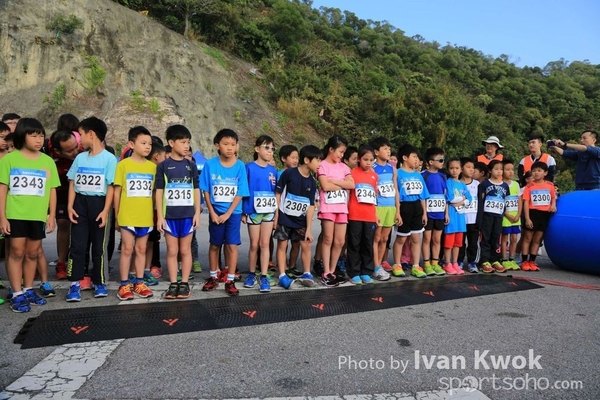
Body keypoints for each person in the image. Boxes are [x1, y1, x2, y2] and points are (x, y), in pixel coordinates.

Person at [0, 118, 60, 312]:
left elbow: (52, 190)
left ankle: (28, 289)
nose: (38, 140)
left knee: (33, 253)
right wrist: (2, 217)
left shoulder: (47, 161)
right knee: (16, 252)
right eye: (33, 136)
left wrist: (51, 215)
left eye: (41, 135)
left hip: (37, 215)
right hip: (15, 214)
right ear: (22, 136)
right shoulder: (9, 160)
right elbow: (2, 189)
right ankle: (17, 293)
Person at [66, 117, 117, 302]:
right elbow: (72, 182)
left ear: (91, 134)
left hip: (99, 204)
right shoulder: (80, 158)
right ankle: (74, 283)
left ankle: (99, 281)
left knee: (99, 246)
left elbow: (111, 186)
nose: (79, 139)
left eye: (81, 134)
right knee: (77, 245)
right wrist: (70, 206)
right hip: (80, 203)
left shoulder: (109, 159)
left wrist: (105, 210)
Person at [200, 128, 249, 296]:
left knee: (232, 245)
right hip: (215, 212)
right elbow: (206, 190)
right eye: (226, 144)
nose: (229, 148)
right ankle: (213, 277)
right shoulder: (210, 165)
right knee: (215, 244)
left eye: (233, 144)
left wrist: (228, 213)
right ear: (217, 145)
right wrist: (212, 212)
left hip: (233, 213)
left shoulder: (240, 166)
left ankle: (230, 279)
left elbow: (240, 192)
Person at [155, 125, 201, 299]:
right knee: (172, 250)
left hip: (187, 216)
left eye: (188, 142)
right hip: (170, 217)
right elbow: (159, 192)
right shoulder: (163, 166)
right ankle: (174, 283)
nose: (186, 146)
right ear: (171, 143)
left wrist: (197, 214)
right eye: (182, 142)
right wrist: (160, 216)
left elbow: (196, 190)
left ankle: (185, 284)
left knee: (185, 250)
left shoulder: (191, 165)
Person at [114, 126, 156, 301]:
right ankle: (124, 284)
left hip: (145, 216)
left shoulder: (153, 167)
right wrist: (117, 215)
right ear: (131, 144)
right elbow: (117, 191)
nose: (147, 147)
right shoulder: (123, 165)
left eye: (149, 144)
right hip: (127, 215)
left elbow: (154, 193)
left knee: (141, 249)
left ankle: (139, 282)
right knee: (127, 249)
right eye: (143, 143)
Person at [274, 145, 321, 289]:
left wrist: (309, 229)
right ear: (306, 160)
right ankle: (282, 275)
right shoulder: (289, 174)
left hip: (300, 220)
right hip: (284, 217)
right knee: (282, 244)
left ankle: (307, 273)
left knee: (305, 244)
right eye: (317, 160)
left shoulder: (312, 182)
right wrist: (276, 215)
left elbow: (311, 205)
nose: (319, 164)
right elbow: (278, 193)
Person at [317, 135, 355, 287]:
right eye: (340, 151)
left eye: (343, 152)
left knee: (340, 241)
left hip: (342, 208)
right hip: (328, 207)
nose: (341, 155)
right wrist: (342, 184)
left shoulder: (344, 167)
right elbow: (325, 186)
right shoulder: (322, 165)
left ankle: (332, 271)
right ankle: (326, 272)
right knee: (328, 239)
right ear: (331, 149)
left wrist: (334, 181)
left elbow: (352, 185)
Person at [242, 135, 278, 293]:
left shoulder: (273, 170)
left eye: (272, 148)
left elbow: (275, 192)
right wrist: (244, 211)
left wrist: (276, 214)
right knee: (254, 244)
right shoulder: (249, 168)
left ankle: (264, 276)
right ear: (257, 149)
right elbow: (244, 190)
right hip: (253, 211)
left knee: (265, 244)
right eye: (267, 147)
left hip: (268, 212)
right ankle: (251, 274)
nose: (270, 151)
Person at [49, 130, 81, 280]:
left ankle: (79, 262)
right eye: (69, 151)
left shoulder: (84, 152)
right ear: (57, 151)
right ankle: (61, 261)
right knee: (62, 223)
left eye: (76, 147)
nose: (75, 152)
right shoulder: (48, 155)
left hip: (81, 192)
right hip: (60, 191)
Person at [393, 144, 429, 278]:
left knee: (416, 238)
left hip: (417, 207)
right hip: (404, 206)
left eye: (417, 157)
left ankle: (415, 265)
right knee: (401, 238)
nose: (416, 160)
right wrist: (397, 211)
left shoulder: (418, 175)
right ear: (404, 157)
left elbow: (422, 195)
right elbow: (396, 193)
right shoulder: (397, 173)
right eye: (414, 157)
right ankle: (397, 264)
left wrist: (424, 213)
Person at [346, 145, 378, 284]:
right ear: (359, 159)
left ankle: (366, 271)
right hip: (355, 215)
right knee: (354, 244)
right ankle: (354, 272)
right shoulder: (351, 174)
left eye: (371, 160)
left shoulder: (375, 176)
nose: (368, 163)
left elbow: (374, 197)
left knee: (368, 244)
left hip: (369, 216)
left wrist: (375, 214)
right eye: (365, 159)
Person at [370, 137, 398, 277]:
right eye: (385, 148)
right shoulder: (372, 168)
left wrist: (398, 211)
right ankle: (374, 266)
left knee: (385, 239)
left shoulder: (392, 169)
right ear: (376, 152)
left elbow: (396, 190)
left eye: (389, 149)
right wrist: (373, 210)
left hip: (390, 207)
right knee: (376, 238)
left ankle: (379, 265)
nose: (388, 151)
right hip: (379, 207)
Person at [521, 162, 557, 271]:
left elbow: (553, 197)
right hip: (532, 213)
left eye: (539, 171)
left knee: (537, 239)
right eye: (534, 171)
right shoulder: (529, 186)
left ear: (545, 173)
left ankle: (532, 261)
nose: (536, 173)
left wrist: (553, 205)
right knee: (527, 238)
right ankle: (524, 261)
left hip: (544, 214)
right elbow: (526, 202)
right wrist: (527, 218)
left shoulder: (550, 185)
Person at [476, 160, 509, 273]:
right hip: (487, 215)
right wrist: (480, 217)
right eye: (496, 169)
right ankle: (484, 261)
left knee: (496, 237)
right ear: (490, 170)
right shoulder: (485, 184)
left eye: (501, 169)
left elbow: (505, 200)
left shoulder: (505, 185)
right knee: (486, 238)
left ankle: (494, 259)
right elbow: (481, 201)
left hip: (498, 216)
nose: (499, 171)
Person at [421, 147, 448, 276]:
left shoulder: (443, 176)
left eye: (443, 159)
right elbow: (422, 196)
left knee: (437, 239)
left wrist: (446, 213)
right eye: (440, 160)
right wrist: (424, 213)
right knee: (427, 238)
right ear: (431, 162)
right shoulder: (423, 175)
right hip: (428, 213)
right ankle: (426, 263)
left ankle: (435, 263)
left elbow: (445, 196)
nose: (443, 162)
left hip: (440, 213)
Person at [442, 158, 471, 275]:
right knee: (449, 242)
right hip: (451, 215)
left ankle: (455, 263)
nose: (454, 170)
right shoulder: (448, 182)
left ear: (461, 169)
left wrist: (461, 201)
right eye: (451, 168)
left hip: (460, 217)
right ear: (448, 170)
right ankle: (447, 263)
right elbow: (450, 198)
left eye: (457, 168)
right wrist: (462, 199)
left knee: (458, 243)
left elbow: (470, 198)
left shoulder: (463, 184)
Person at [457, 158, 480, 273]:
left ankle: (472, 262)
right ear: (461, 169)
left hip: (473, 220)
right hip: (460, 219)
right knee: (460, 242)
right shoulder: (457, 184)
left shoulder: (477, 184)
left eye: (473, 168)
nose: (471, 170)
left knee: (473, 242)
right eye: (468, 167)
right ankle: (459, 261)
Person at [500, 159, 522, 270]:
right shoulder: (501, 185)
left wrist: (518, 214)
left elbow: (519, 200)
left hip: (516, 217)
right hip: (506, 216)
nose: (510, 172)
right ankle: (504, 259)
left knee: (514, 238)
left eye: (512, 170)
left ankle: (512, 259)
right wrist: (507, 214)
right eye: (507, 169)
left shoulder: (516, 184)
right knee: (505, 238)